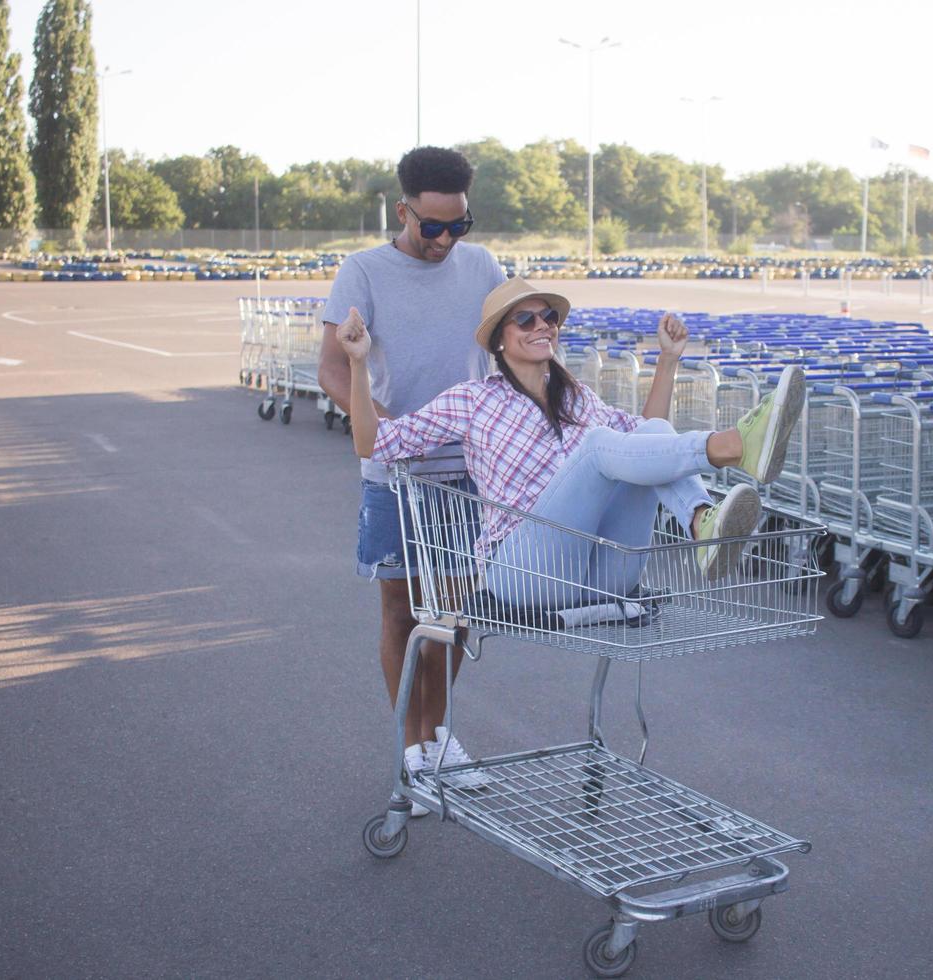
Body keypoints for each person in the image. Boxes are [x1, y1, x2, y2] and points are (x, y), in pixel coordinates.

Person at [332, 277, 807, 621]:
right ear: (499, 339)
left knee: (650, 432)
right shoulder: (473, 399)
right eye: (525, 319)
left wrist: (667, 360)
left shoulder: (577, 396)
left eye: (549, 316)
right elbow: (375, 443)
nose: (542, 325)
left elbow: (648, 436)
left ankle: (702, 523)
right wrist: (357, 364)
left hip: (598, 572)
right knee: (602, 446)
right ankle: (735, 445)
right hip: (522, 572)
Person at [317, 146, 504, 814]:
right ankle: (411, 748)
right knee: (401, 610)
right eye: (432, 227)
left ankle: (438, 734)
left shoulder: (482, 267)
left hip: (466, 471)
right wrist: (397, 428)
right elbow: (334, 372)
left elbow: (514, 350)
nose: (446, 240)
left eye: (459, 225)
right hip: (394, 470)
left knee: (452, 615)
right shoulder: (362, 271)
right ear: (403, 212)